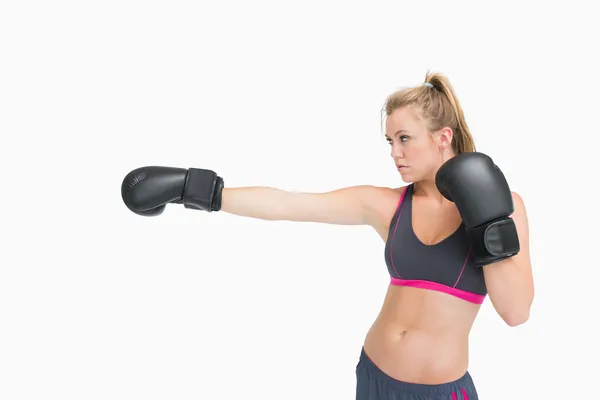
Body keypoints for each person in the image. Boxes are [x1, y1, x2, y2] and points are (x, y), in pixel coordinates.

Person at [121, 71, 534, 400]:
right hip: (373, 378)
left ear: (443, 137)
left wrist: (485, 218)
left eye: (405, 139)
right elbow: (289, 204)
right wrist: (196, 189)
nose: (395, 153)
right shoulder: (389, 205)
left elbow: (516, 312)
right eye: (390, 141)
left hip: (442, 393)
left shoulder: (503, 205)